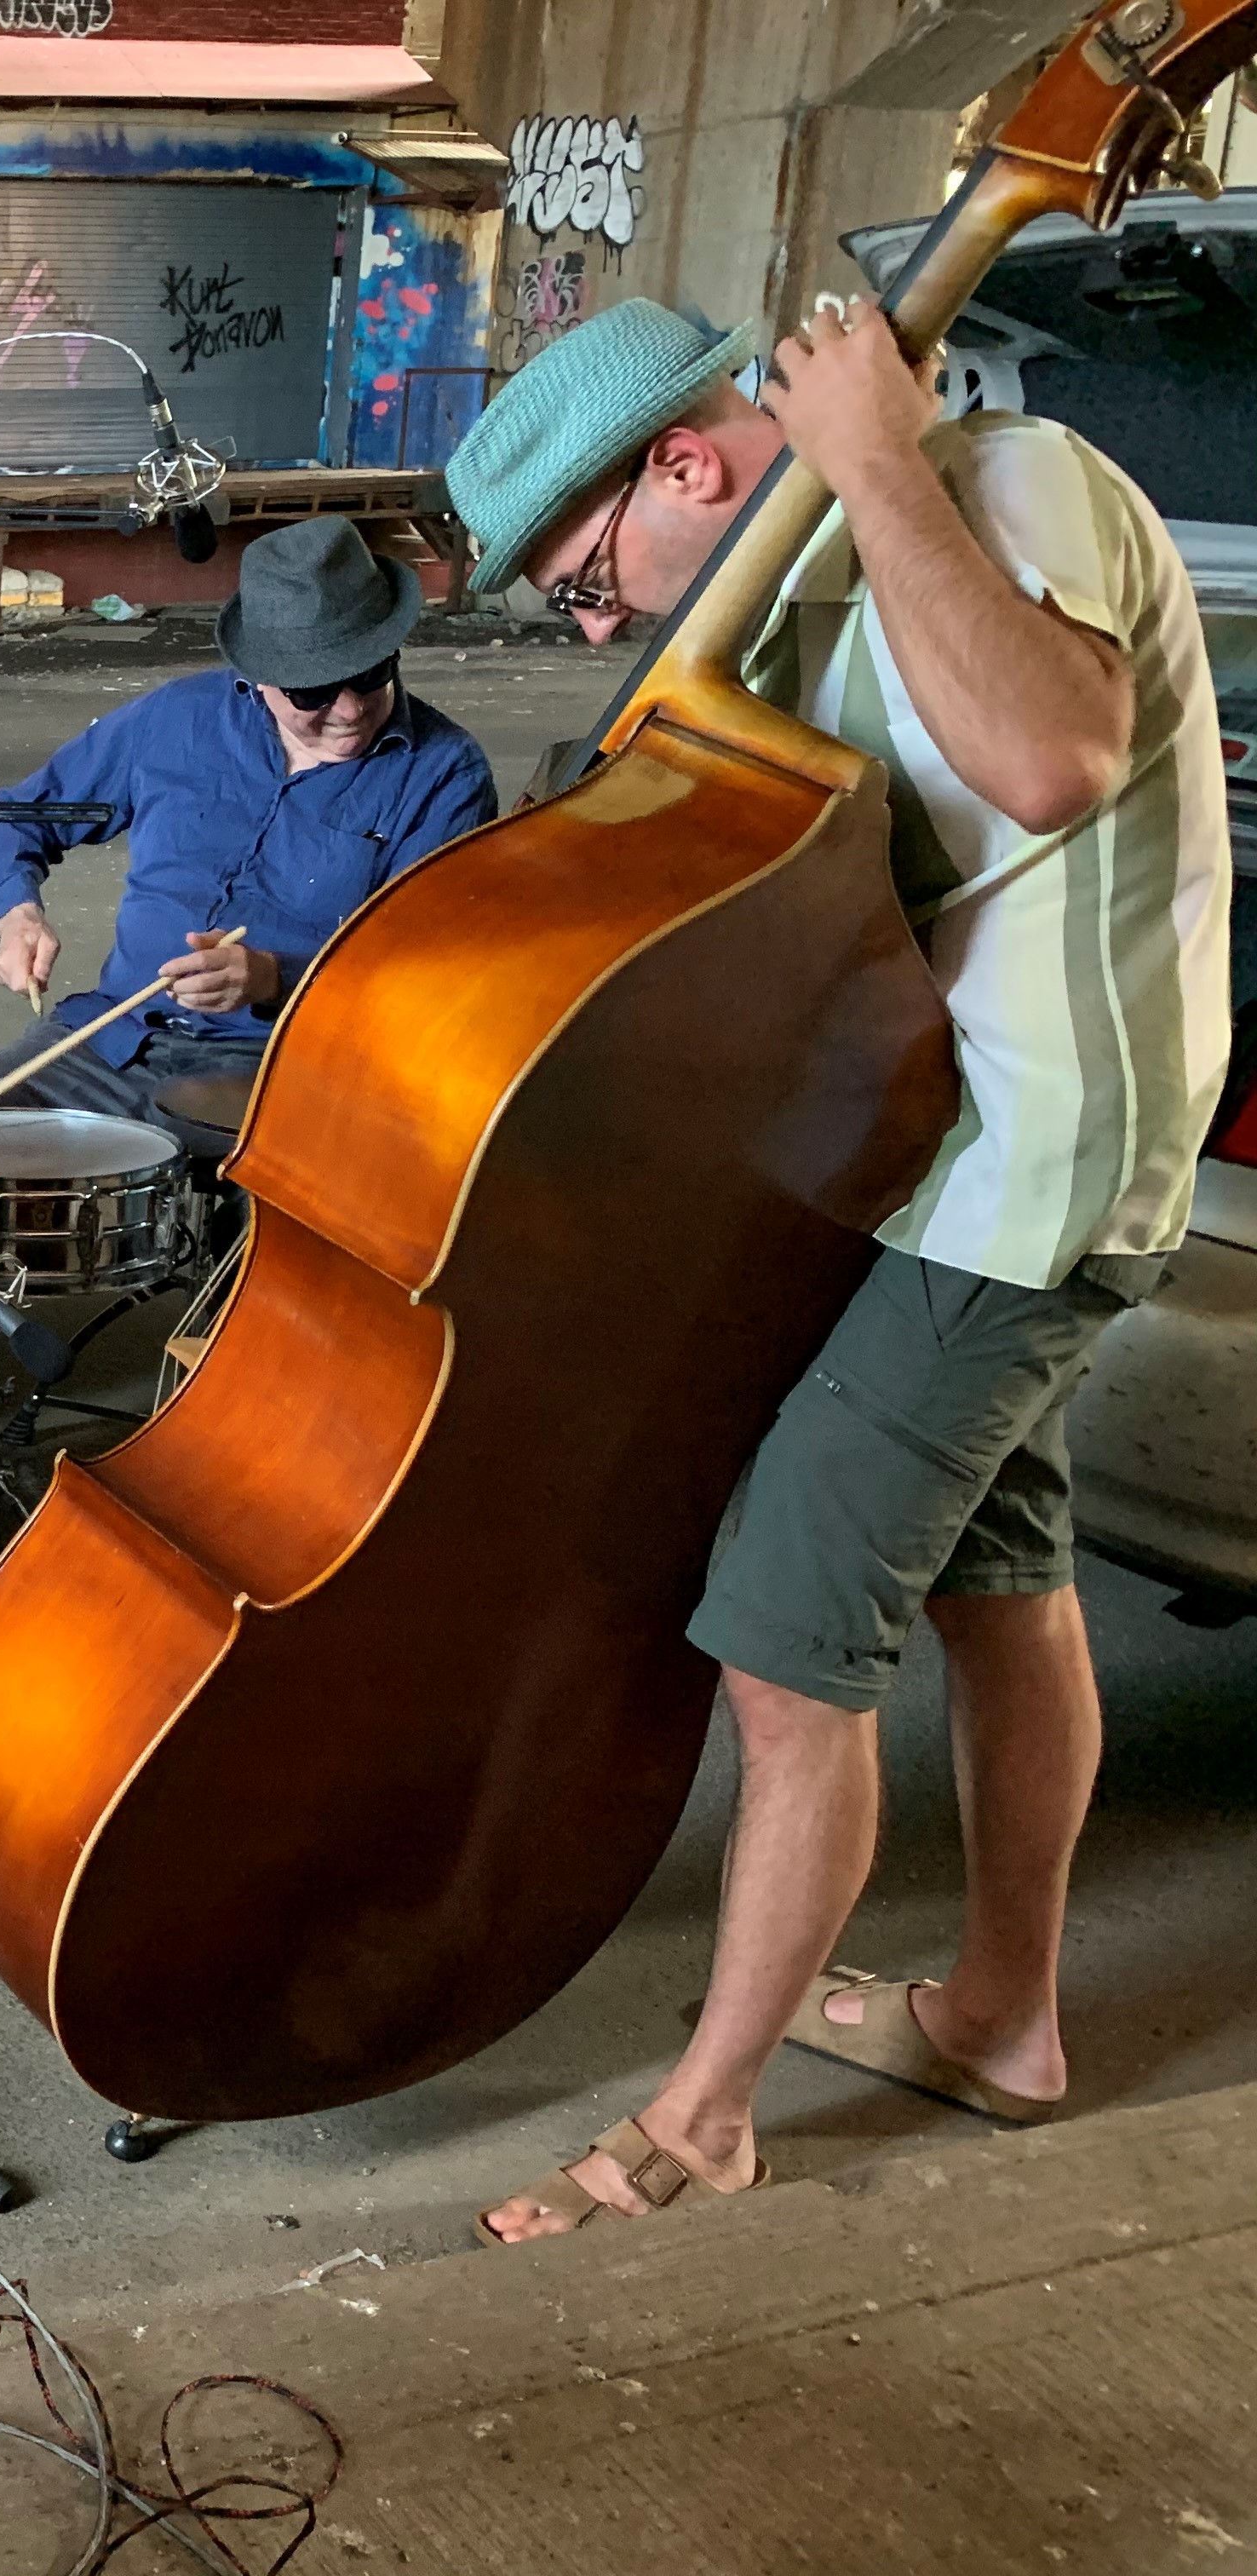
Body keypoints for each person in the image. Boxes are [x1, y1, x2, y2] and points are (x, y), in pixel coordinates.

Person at [445, 297, 1230, 2240]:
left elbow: (1055, 756)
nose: (593, 618)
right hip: (917, 1175)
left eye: (581, 571)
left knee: (783, 1652)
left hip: (1019, 1195)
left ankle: (706, 2117)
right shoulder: (785, 617)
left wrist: (873, 454)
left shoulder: (1000, 486)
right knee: (1003, 1587)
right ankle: (1004, 2018)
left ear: (691, 469)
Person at [0, 516, 498, 1152]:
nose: (351, 709)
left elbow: (428, 981)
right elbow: (17, 819)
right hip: (113, 1040)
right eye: (316, 691)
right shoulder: (178, 719)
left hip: (282, 1066)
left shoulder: (446, 775)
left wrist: (274, 979)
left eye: (372, 671)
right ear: (260, 673)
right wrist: (15, 914)